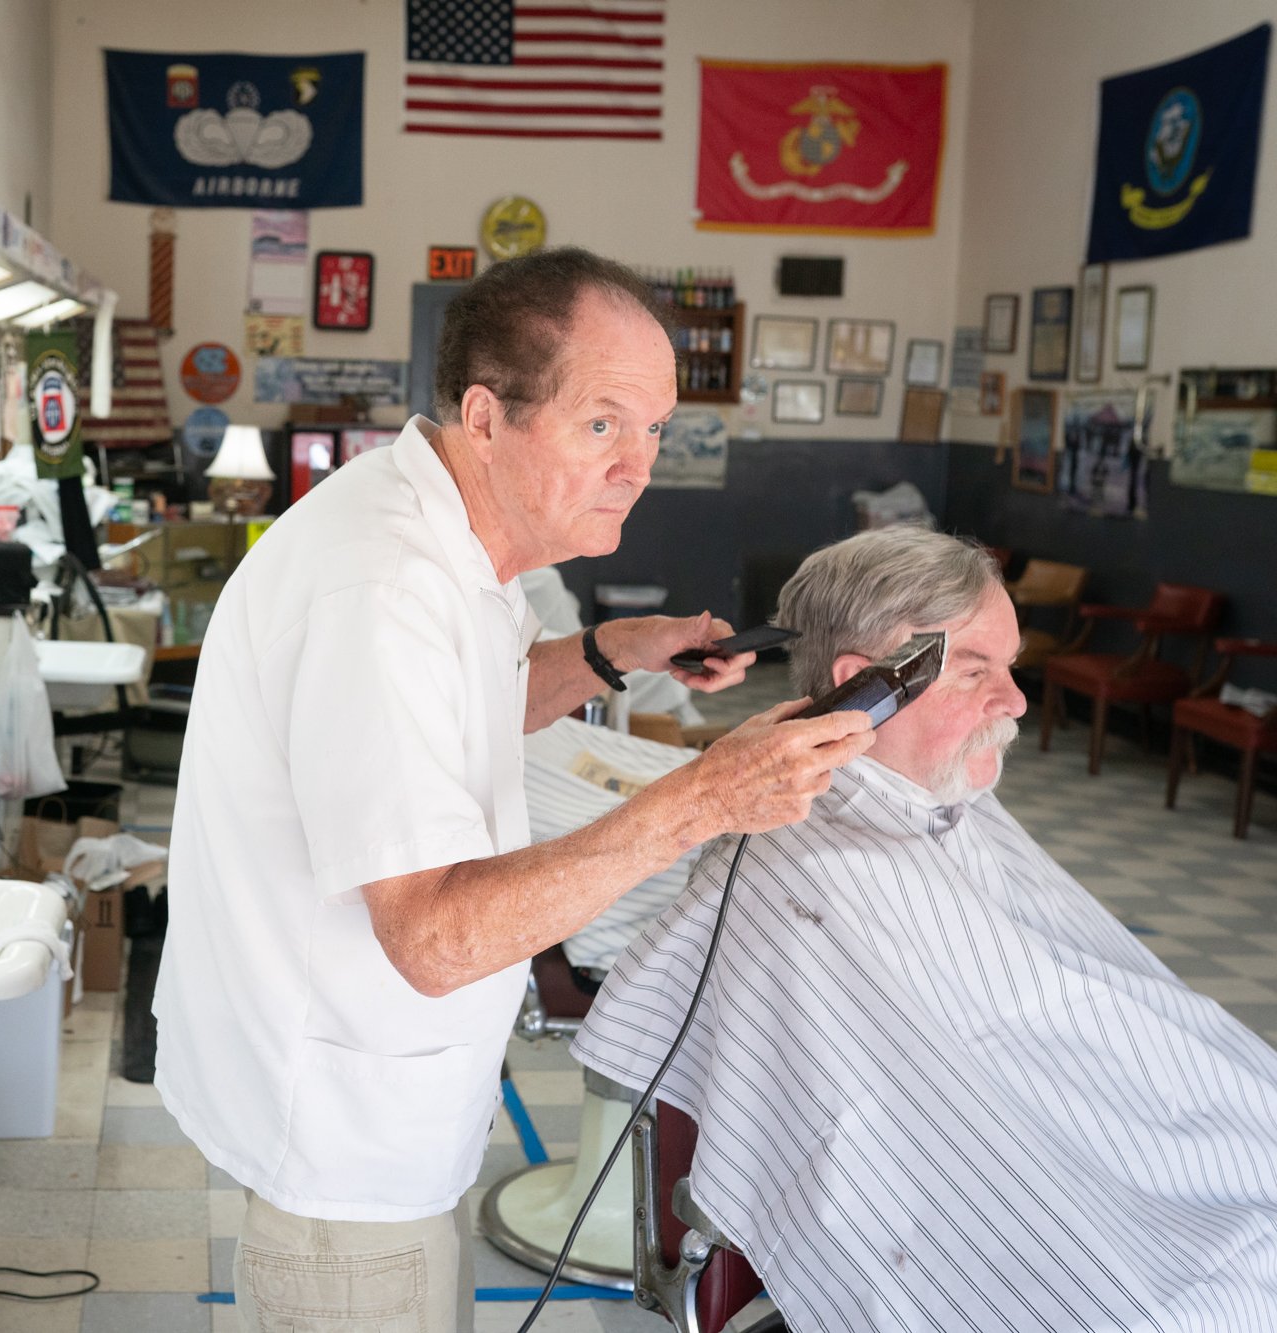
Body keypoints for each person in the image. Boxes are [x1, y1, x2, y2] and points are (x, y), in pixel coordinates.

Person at [153, 248, 876, 1332]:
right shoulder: (381, 590)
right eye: (601, 424)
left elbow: (468, 696)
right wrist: (700, 798)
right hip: (344, 1138)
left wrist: (606, 651)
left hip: (381, 1099)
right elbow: (434, 937)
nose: (636, 465)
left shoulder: (440, 527)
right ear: (485, 416)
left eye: (653, 432)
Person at [574, 527, 1277, 1331]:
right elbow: (879, 1156)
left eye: (1009, 669)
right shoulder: (791, 874)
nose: (1015, 701)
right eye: (976, 670)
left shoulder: (949, 812)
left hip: (1115, 1144)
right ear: (862, 686)